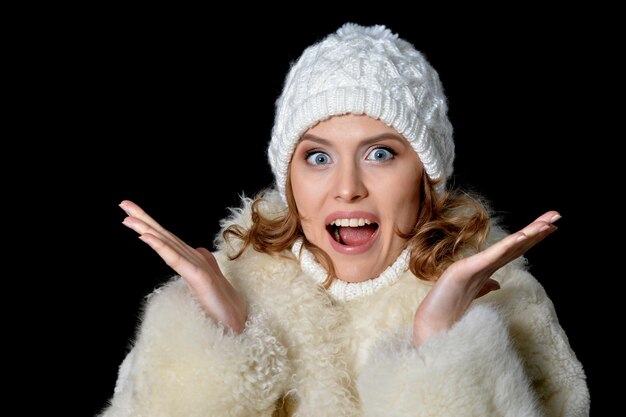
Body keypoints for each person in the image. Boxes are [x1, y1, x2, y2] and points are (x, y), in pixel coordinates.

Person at [99, 23, 589, 416]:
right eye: (317, 157)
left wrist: (441, 344)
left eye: (379, 153)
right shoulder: (225, 290)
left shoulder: (508, 300)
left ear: (426, 177)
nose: (347, 186)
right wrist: (224, 338)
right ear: (289, 180)